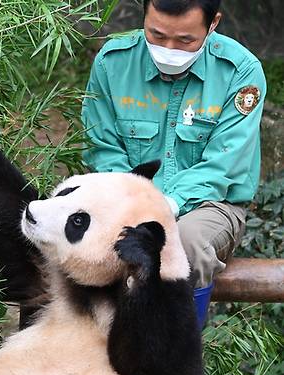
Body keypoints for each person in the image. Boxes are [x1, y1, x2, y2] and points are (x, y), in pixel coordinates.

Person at [82, 0, 267, 319]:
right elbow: (100, 145)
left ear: (213, 23)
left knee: (184, 245)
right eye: (156, 35)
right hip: (120, 197)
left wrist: (166, 205)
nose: (169, 48)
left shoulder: (241, 72)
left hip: (211, 203)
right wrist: (134, 204)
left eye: (185, 40)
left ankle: (174, 356)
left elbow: (222, 165)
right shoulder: (113, 62)